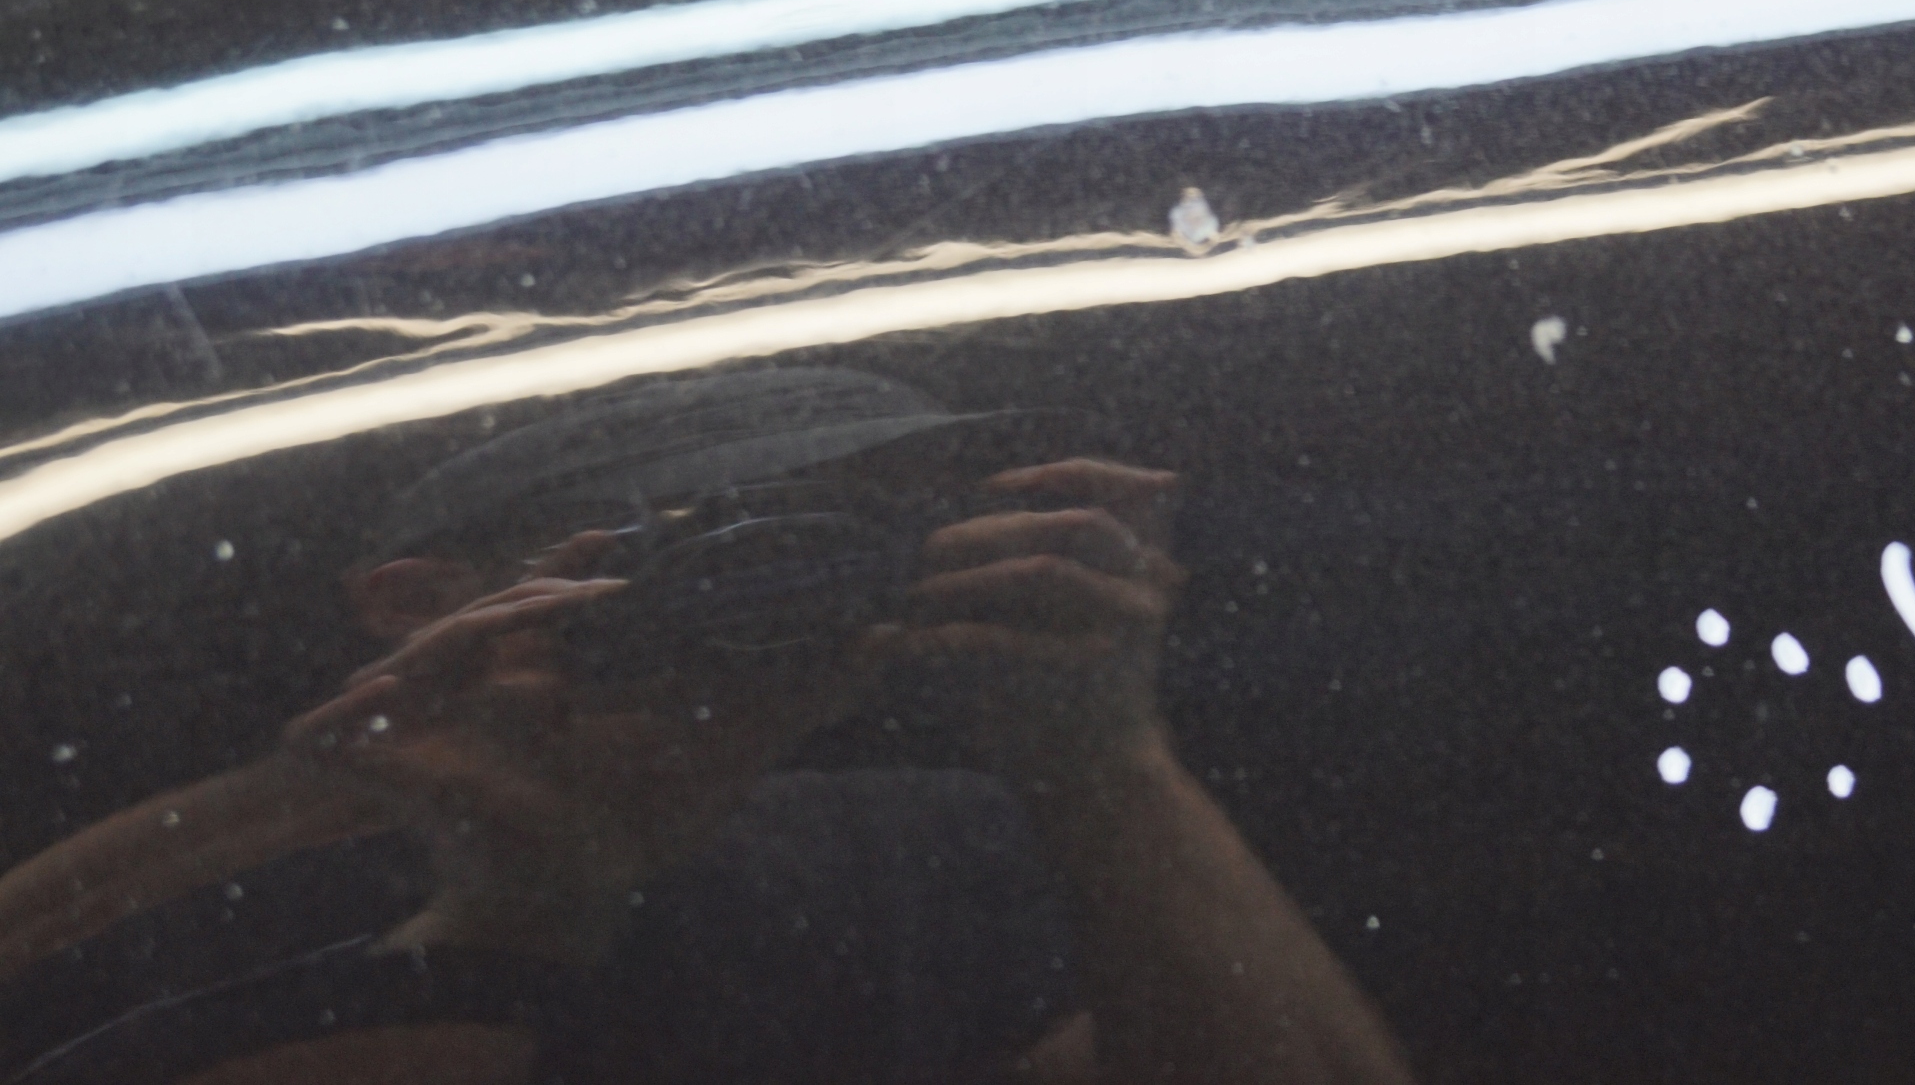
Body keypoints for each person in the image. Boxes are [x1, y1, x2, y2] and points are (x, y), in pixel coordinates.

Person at [0, 370, 1410, 1085]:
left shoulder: (917, 844)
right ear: (419, 603)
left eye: (858, 530)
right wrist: (513, 910)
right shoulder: (217, 868)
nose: (785, 571)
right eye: (690, 538)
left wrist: (1100, 758)